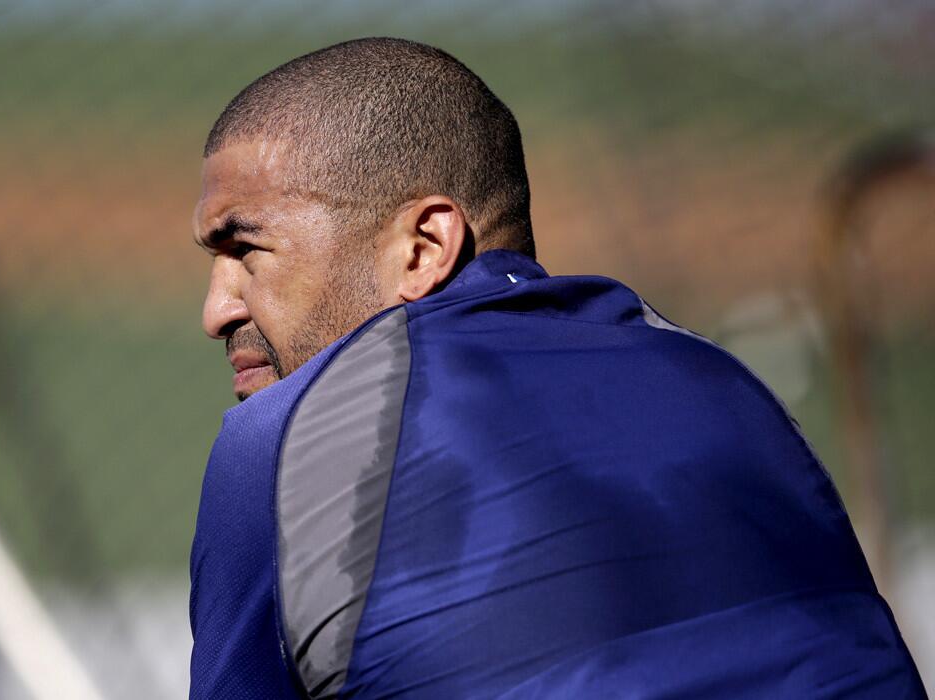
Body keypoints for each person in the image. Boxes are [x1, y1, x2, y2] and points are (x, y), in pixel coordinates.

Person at [188, 38, 925, 699]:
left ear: (422, 247)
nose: (217, 310)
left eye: (245, 249)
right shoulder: (728, 386)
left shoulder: (283, 447)